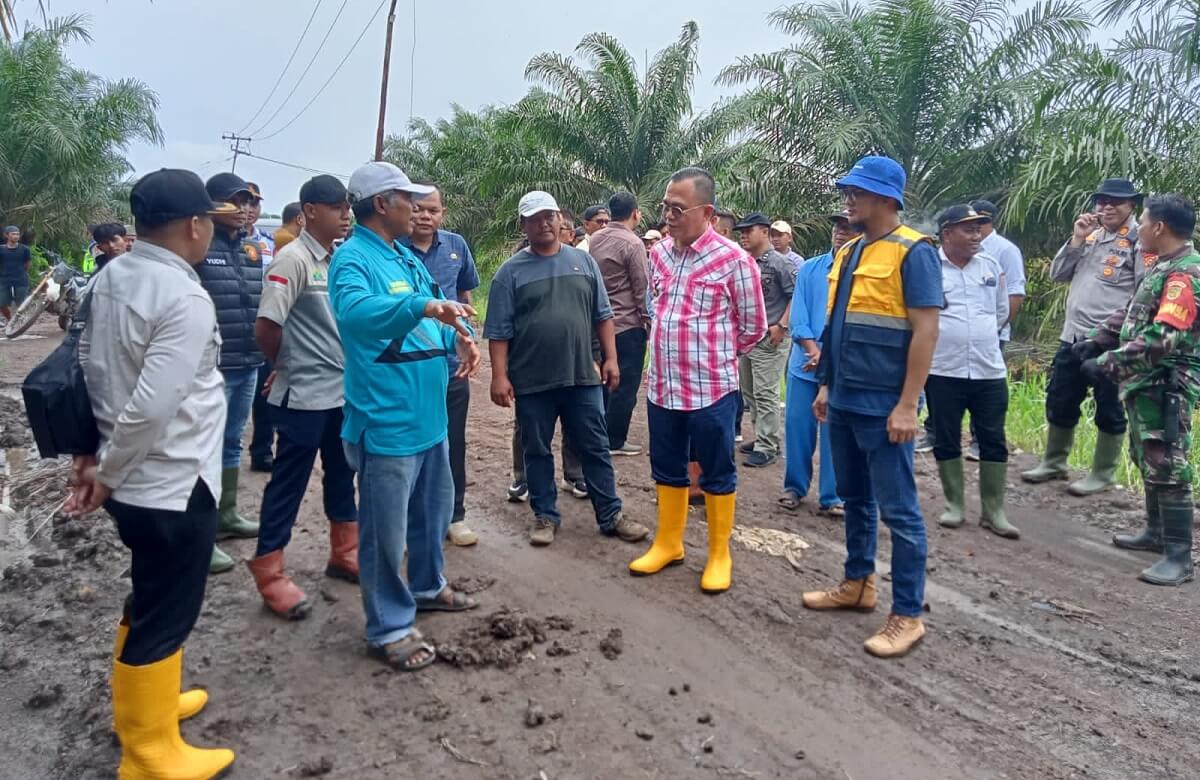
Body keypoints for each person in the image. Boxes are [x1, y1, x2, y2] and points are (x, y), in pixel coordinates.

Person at [70, 169, 238, 778]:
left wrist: (89, 455)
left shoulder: (112, 276)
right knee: (168, 607)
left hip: (133, 475)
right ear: (194, 225)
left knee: (150, 593)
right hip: (169, 479)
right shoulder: (183, 296)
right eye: (210, 223)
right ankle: (148, 755)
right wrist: (107, 473)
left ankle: (149, 708)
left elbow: (86, 371)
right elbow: (151, 405)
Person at [330, 161, 482, 671]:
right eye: (406, 199)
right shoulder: (353, 260)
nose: (415, 208)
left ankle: (426, 585)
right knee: (384, 533)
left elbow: (432, 315)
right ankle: (389, 626)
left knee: (430, 514)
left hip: (428, 414)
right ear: (381, 205)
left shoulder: (403, 258)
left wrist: (457, 338)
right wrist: (423, 308)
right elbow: (355, 316)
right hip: (387, 417)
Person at [801, 155, 942, 658]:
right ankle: (858, 584)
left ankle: (907, 615)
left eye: (856, 193)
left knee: (900, 511)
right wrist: (824, 385)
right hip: (842, 398)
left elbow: (926, 330)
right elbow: (835, 325)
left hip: (885, 405)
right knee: (855, 498)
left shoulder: (914, 252)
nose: (848, 200)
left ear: (886, 199)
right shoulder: (850, 251)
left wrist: (908, 404)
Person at [629, 167, 766, 593]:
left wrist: (716, 356)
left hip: (711, 390)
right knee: (666, 466)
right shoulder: (660, 255)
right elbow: (658, 307)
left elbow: (754, 326)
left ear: (706, 211)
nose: (668, 215)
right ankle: (669, 543)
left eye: (677, 208)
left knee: (717, 471)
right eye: (665, 206)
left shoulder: (734, 260)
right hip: (664, 386)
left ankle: (719, 554)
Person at [485, 191, 648, 547]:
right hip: (532, 381)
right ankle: (545, 516)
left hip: (582, 376)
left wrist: (611, 359)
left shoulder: (583, 262)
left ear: (560, 220)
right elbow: (498, 331)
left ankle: (611, 515)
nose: (544, 223)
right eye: (534, 218)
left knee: (595, 446)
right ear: (523, 225)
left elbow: (603, 315)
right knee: (537, 450)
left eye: (549, 216)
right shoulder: (509, 273)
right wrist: (499, 376)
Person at [249, 175, 358, 620]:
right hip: (303, 395)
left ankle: (344, 552)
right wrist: (283, 366)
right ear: (311, 210)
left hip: (340, 392)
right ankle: (270, 571)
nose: (346, 215)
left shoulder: (339, 260)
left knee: (342, 472)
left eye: (348, 207)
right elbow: (266, 327)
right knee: (289, 483)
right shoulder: (292, 260)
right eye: (337, 208)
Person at [1076, 194, 1199, 586]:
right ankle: (1156, 533)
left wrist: (1110, 363)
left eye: (1143, 221)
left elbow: (1164, 335)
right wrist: (1097, 339)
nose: (1140, 228)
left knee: (1167, 462)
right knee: (1146, 453)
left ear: (1159, 227)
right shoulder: (1162, 266)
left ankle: (1179, 556)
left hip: (1167, 382)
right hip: (1145, 381)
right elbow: (1134, 309)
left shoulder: (1185, 274)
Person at [1021, 178, 1147, 495]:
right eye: (1101, 201)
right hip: (1073, 335)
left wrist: (1123, 337)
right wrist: (1076, 239)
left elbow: (1145, 295)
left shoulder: (1139, 242)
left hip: (1110, 341)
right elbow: (1058, 274)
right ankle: (1054, 462)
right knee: (1061, 397)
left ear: (1131, 205)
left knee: (1109, 405)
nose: (1106, 207)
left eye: (1114, 202)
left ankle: (1103, 473)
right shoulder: (1090, 236)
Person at [927, 205, 1019, 539]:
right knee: (947, 435)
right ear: (947, 233)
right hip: (943, 370)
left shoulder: (991, 266)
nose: (976, 235)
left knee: (993, 437)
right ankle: (955, 505)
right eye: (968, 229)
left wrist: (975, 335)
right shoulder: (930, 267)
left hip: (988, 369)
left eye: (978, 228)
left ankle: (994, 511)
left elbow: (999, 312)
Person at [400, 184, 481, 547]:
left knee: (453, 443)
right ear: (406, 210)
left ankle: (455, 515)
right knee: (406, 446)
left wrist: (469, 336)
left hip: (449, 367)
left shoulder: (455, 246)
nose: (425, 217)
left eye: (432, 210)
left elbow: (465, 296)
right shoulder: (392, 250)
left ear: (442, 213)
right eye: (418, 209)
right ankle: (404, 520)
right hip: (406, 369)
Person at [196, 172, 263, 573]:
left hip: (247, 360)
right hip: (211, 367)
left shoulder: (253, 249)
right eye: (235, 201)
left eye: (249, 201)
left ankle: (227, 515)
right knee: (203, 449)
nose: (244, 209)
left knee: (233, 441)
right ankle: (200, 536)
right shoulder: (200, 247)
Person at [780, 211, 856, 516]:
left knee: (834, 431)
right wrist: (814, 350)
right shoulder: (811, 269)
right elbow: (798, 317)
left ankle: (832, 495)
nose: (840, 231)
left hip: (840, 367)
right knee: (798, 426)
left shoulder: (863, 272)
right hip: (804, 365)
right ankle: (794, 487)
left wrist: (828, 356)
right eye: (838, 225)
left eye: (848, 227)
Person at [588, 191, 651, 457]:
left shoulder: (596, 239)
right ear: (635, 213)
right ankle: (615, 440)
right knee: (625, 384)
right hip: (626, 324)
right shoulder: (633, 243)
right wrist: (648, 321)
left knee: (602, 378)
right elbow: (642, 287)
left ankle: (598, 432)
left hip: (597, 323)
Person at [735, 211, 796, 468]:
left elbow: (796, 296)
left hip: (771, 337)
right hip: (750, 336)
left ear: (764, 231)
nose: (744, 236)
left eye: (749, 230)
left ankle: (767, 446)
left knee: (766, 392)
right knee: (749, 391)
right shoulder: (747, 261)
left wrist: (782, 325)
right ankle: (763, 436)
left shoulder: (780, 263)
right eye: (742, 232)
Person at [246, 182, 277, 474]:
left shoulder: (268, 244)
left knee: (263, 395)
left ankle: (262, 451)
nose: (250, 209)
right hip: (229, 336)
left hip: (263, 330)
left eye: (254, 203)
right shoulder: (207, 244)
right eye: (244, 202)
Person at [0, 225, 31, 320]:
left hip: (21, 279)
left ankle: (21, 321)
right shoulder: (1, 249)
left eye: (17, 234)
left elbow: (28, 264)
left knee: (21, 304)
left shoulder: (25, 249)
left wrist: (23, 273)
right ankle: (9, 320)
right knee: (1, 304)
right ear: (6, 235)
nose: (16, 236)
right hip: (4, 280)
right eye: (13, 234)